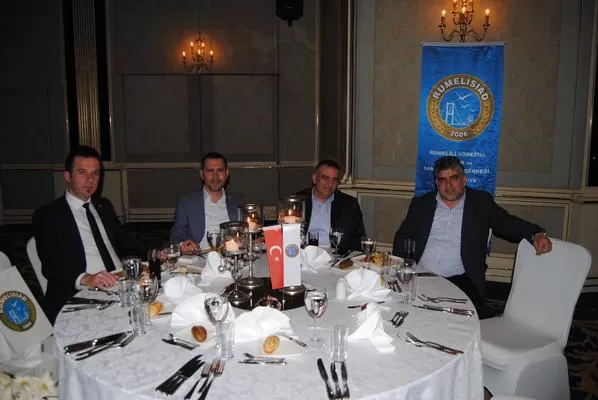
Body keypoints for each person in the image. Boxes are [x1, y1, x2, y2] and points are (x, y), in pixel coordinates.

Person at [392, 156, 552, 317]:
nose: (448, 185)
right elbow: (403, 236)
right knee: (404, 313)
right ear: (436, 183)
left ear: (464, 180)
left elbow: (508, 223)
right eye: (442, 180)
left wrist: (536, 233)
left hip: (461, 280)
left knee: (457, 323)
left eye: (453, 178)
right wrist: (401, 268)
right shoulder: (421, 204)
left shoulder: (480, 203)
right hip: (421, 276)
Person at [33, 145, 149, 323]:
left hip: (120, 285)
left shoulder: (103, 205)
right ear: (67, 176)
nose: (90, 180)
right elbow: (51, 265)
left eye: (95, 173)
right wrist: (86, 278)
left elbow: (126, 243)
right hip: (82, 294)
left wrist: (156, 253)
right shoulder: (48, 215)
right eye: (82, 173)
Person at [170, 152, 244, 253]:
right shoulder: (186, 202)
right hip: (198, 258)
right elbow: (176, 235)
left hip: (230, 256)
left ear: (226, 173)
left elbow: (245, 232)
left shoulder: (237, 201)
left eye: (220, 170)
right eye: (210, 171)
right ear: (202, 174)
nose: (215, 176)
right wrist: (183, 244)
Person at [296, 159, 366, 253]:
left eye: (334, 180)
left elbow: (359, 240)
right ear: (314, 178)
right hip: (302, 254)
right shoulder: (298, 202)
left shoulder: (349, 204)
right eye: (325, 178)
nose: (330, 184)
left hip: (335, 257)